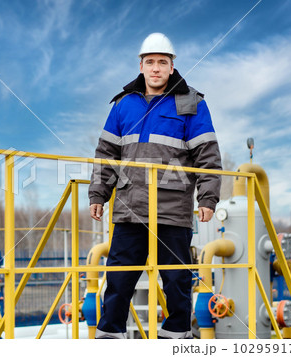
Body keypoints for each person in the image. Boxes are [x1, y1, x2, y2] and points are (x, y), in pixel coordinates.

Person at [88, 33, 222, 339]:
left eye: (162, 62)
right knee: (119, 281)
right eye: (150, 62)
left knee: (176, 281)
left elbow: (208, 156)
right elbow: (106, 153)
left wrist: (208, 199)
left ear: (172, 67)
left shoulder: (192, 104)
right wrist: (99, 193)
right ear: (141, 65)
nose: (156, 68)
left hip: (171, 211)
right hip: (129, 209)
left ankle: (174, 338)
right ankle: (109, 338)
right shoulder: (123, 105)